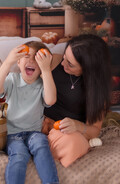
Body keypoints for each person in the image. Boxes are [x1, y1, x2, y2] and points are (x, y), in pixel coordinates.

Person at [0, 41, 59, 184]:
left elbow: (51, 100)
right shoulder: (12, 79)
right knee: (19, 155)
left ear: (42, 67)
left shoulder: (43, 84)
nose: (32, 60)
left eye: (37, 58)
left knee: (41, 144)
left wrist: (46, 70)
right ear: (19, 62)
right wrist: (8, 62)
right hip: (12, 134)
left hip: (34, 132)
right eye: (27, 56)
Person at [42, 34, 112, 167]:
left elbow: (95, 130)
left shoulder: (97, 90)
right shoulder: (55, 61)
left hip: (63, 134)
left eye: (70, 64)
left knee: (75, 143)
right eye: (64, 57)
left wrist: (76, 125)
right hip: (36, 124)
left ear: (89, 69)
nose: (63, 64)